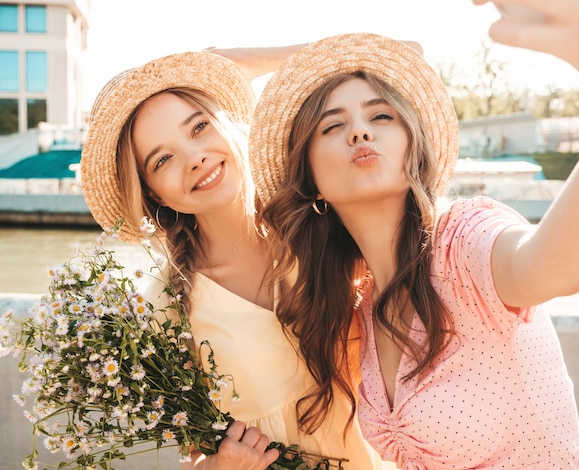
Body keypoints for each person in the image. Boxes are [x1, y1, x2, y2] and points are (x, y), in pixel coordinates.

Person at [248, 24, 579, 468]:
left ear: (413, 144)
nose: (359, 132)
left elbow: (553, 268)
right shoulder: (362, 308)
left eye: (381, 116)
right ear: (310, 181)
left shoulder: (463, 241)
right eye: (332, 126)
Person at [80, 50, 394, 470]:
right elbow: (196, 454)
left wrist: (234, 64)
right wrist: (219, 464)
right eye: (163, 159)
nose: (195, 157)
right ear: (153, 192)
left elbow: (404, 58)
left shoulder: (318, 216)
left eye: (200, 126)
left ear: (226, 121)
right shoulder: (167, 308)